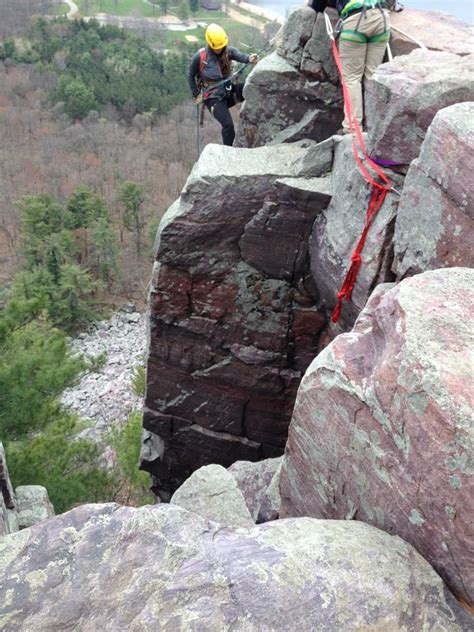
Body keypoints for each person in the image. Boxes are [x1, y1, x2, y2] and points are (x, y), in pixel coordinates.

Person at [309, 1, 391, 132]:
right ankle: (375, 127)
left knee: (352, 78)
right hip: (381, 18)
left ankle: (353, 129)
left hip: (355, 20)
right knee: (372, 75)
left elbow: (317, 5)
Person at [188, 24, 258, 146]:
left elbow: (239, 55)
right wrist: (196, 94)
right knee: (228, 126)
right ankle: (227, 152)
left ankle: (257, 122)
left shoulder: (227, 51)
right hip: (213, 98)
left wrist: (249, 58)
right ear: (210, 43)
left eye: (221, 47)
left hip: (227, 92)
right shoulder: (200, 57)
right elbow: (190, 75)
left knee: (250, 89)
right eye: (217, 47)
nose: (219, 49)